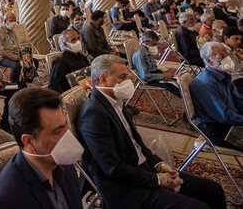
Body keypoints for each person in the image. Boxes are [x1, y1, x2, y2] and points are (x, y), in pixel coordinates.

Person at [78, 55, 226, 209]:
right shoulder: (94, 114)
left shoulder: (115, 101)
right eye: (123, 77)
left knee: (213, 190)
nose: (129, 81)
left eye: (128, 75)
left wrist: (160, 165)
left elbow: (137, 145)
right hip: (126, 188)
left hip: (143, 171)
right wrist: (158, 180)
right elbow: (113, 168)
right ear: (103, 80)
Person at [0, 88, 83, 209]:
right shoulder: (4, 201)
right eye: (58, 132)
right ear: (29, 142)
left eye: (65, 127)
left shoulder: (65, 167)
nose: (67, 137)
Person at [189, 42, 243, 151]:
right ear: (208, 61)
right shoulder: (205, 84)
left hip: (231, 120)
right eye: (221, 57)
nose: (227, 59)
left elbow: (238, 100)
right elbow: (224, 116)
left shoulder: (224, 75)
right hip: (219, 130)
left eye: (227, 55)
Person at [132, 31, 180, 96]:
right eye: (154, 44)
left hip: (154, 76)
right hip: (149, 80)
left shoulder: (146, 51)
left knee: (179, 81)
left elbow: (153, 68)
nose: (155, 46)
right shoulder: (140, 55)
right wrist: (162, 75)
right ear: (146, 42)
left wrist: (163, 73)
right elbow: (144, 76)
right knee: (174, 87)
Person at [48, 29, 90, 94]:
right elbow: (53, 87)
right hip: (73, 95)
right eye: (73, 40)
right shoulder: (60, 62)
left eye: (78, 38)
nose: (78, 42)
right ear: (65, 44)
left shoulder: (82, 57)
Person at [0, 12, 23, 82]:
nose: (14, 23)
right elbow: (0, 51)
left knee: (33, 62)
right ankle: (14, 84)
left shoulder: (12, 30)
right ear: (5, 21)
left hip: (14, 54)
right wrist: (13, 56)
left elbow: (18, 46)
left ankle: (23, 83)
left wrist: (23, 54)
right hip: (2, 57)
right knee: (17, 66)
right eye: (11, 21)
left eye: (15, 21)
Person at [221, 27, 243, 92]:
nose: (239, 42)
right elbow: (236, 70)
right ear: (225, 38)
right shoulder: (223, 51)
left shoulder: (232, 49)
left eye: (239, 39)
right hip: (235, 81)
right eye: (236, 39)